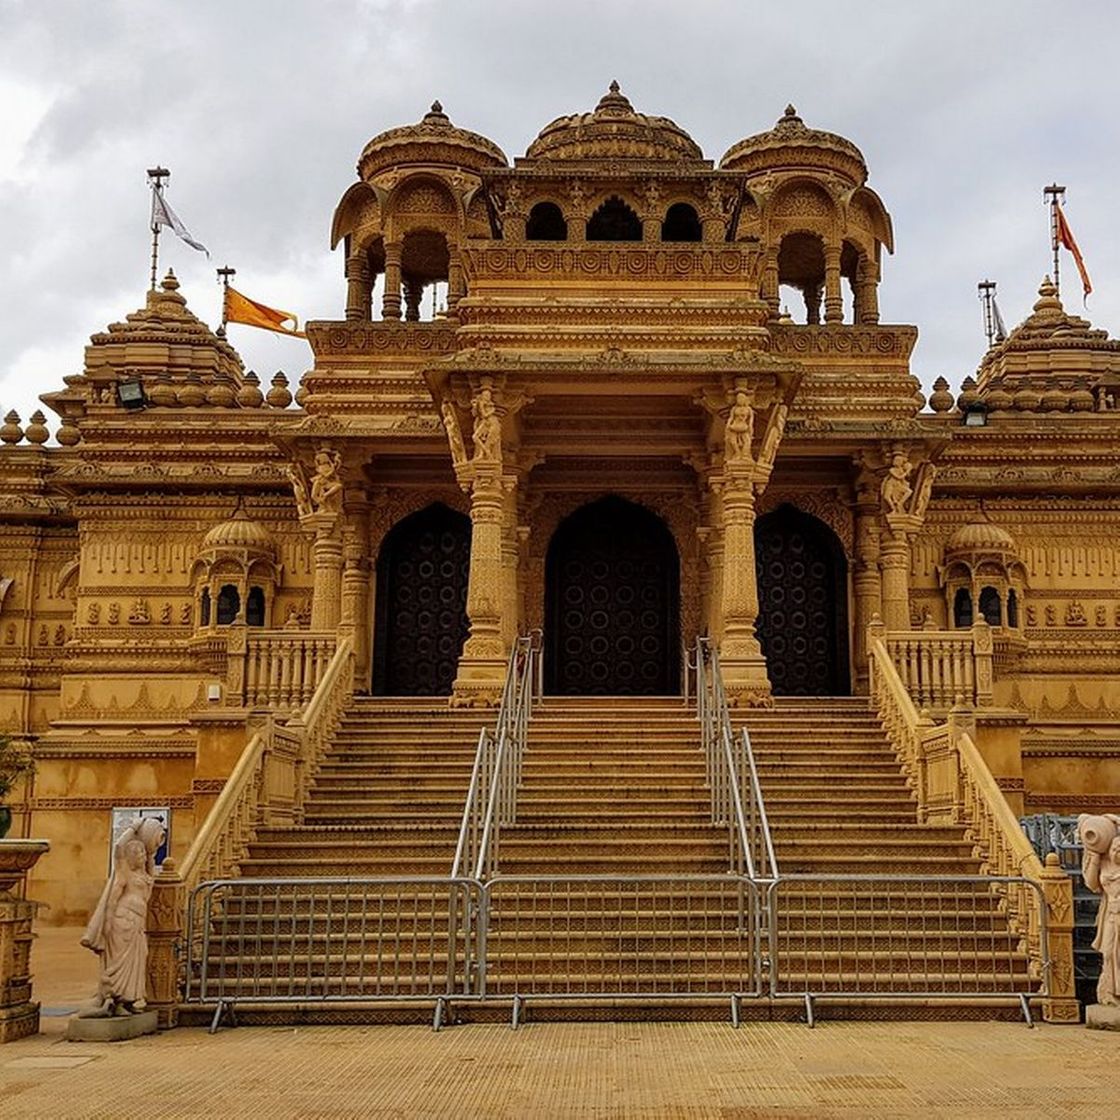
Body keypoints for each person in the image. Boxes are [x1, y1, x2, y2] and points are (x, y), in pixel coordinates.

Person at [80, 815, 166, 1016]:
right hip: (121, 920)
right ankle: (113, 999)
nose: (142, 856)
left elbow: (152, 856)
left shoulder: (145, 874)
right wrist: (134, 828)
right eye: (138, 853)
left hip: (137, 923)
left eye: (144, 853)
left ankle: (127, 1001)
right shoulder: (123, 872)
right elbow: (118, 848)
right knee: (118, 961)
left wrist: (152, 842)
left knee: (137, 959)